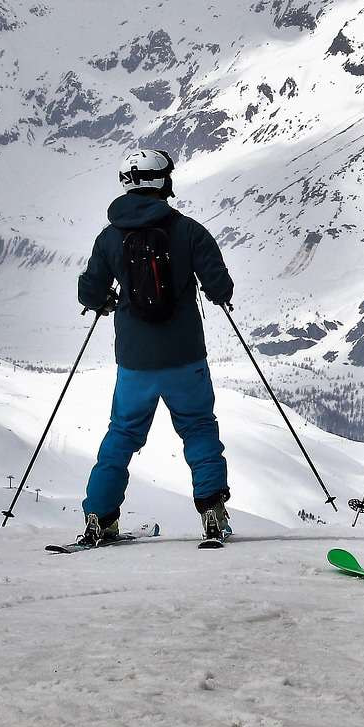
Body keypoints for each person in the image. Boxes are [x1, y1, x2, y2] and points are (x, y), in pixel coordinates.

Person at [74, 148, 235, 545]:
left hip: (135, 361)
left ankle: (100, 516)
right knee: (198, 429)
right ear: (163, 182)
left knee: (122, 434)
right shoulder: (189, 230)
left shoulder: (110, 237)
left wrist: (107, 302)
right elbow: (220, 285)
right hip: (185, 356)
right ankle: (212, 510)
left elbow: (90, 290)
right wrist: (214, 293)